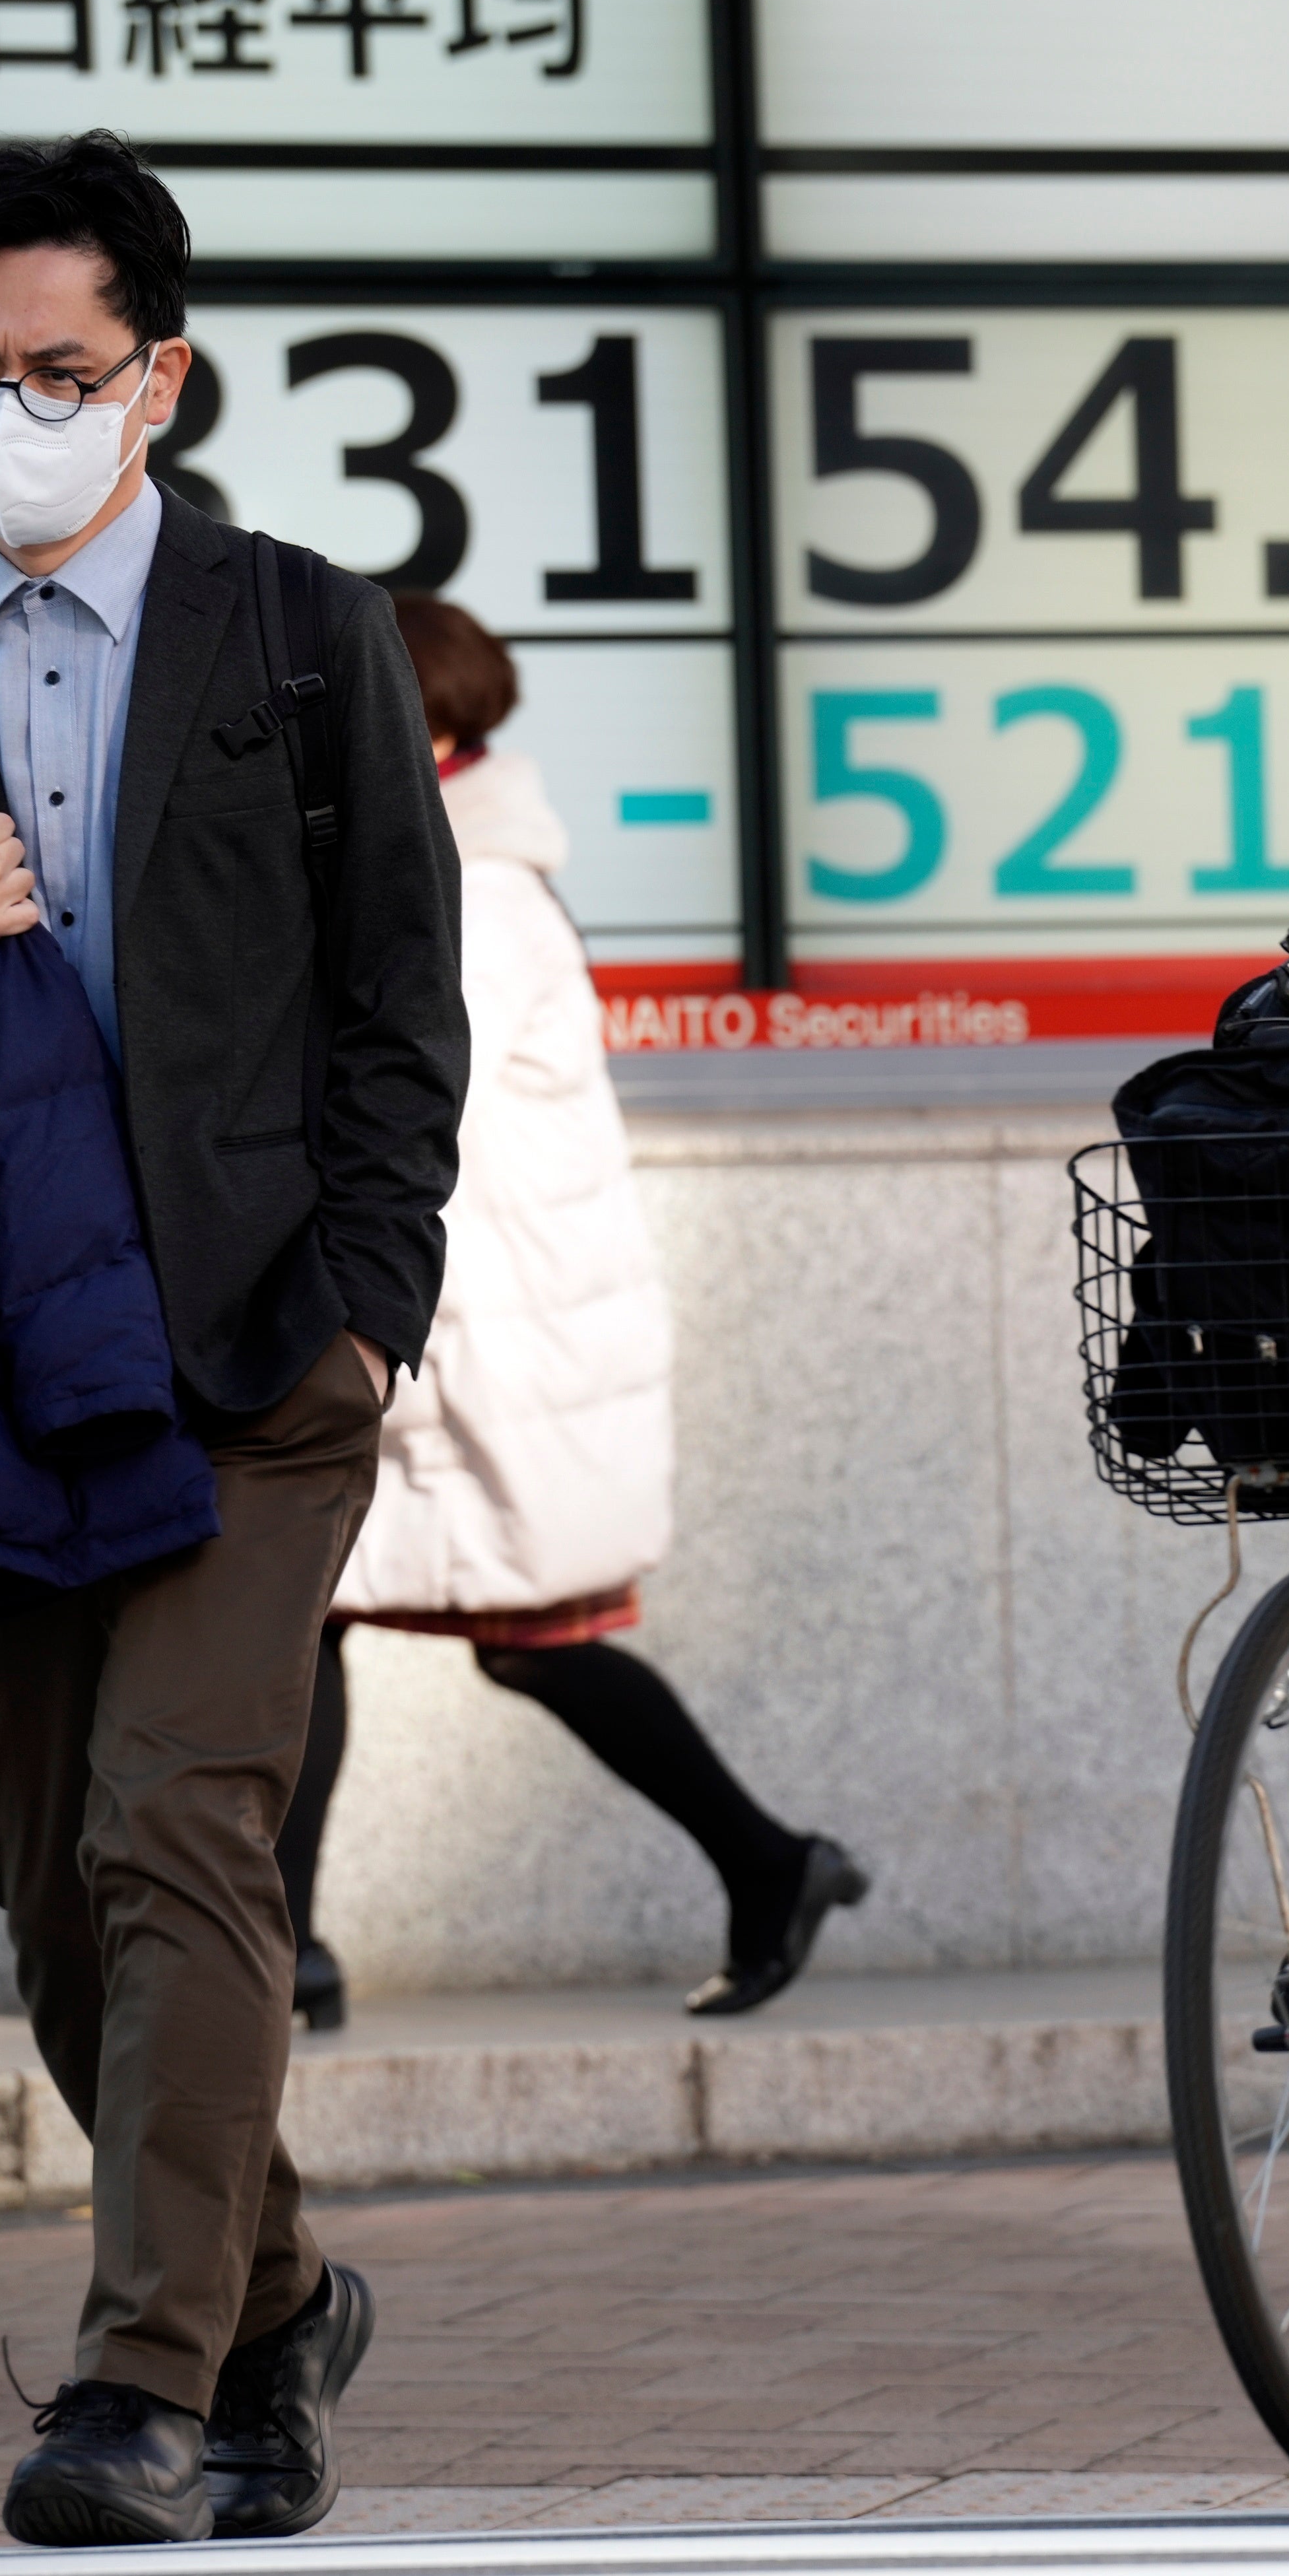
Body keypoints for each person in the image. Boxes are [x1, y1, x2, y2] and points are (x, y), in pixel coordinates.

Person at [0, 133, 466, 2546]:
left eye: (60, 370)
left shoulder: (299, 630)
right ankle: (275, 2302)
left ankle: (138, 2387)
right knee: (56, 1888)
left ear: (159, 378)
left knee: (182, 1828)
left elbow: (400, 995)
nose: (10, 413)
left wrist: (375, 1306)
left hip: (255, 1359)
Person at [275, 595, 868, 2029]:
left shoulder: (465, 887)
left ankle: (767, 1856)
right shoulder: (444, 861)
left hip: (484, 1321)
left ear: (423, 727)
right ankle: (286, 1946)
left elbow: (384, 1096)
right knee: (323, 1609)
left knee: (469, 1625)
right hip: (456, 1307)